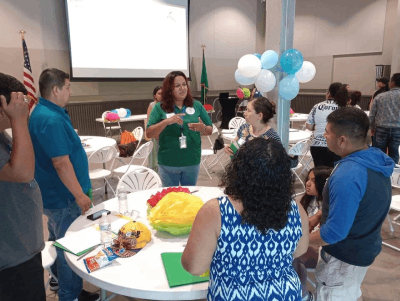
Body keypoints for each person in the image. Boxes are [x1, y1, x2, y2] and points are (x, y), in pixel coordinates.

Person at [182, 138, 309, 300]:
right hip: (286, 294)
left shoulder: (216, 212)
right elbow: (300, 250)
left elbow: (195, 267)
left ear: (238, 169)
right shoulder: (296, 209)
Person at [309, 107, 394, 301]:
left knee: (333, 294)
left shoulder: (349, 174)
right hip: (363, 246)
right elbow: (358, 202)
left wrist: (300, 241)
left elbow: (334, 234)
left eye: (327, 132)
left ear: (342, 140)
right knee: (348, 291)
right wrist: (319, 216)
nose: (324, 135)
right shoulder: (373, 159)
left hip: (345, 256)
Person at [28, 68, 98, 301]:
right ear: (56, 90)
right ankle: (71, 295)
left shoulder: (47, 112)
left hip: (54, 195)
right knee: (70, 247)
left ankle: (65, 285)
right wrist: (79, 195)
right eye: (67, 87)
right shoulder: (50, 118)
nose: (70, 91)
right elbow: (60, 163)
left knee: (59, 240)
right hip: (63, 196)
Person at [0, 73, 45, 301]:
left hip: (22, 250)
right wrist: (19, 120)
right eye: (16, 103)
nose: (22, 107)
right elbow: (23, 173)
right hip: (11, 261)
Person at [146, 71, 213, 187]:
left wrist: (203, 128)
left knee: (189, 197)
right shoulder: (159, 107)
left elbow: (210, 130)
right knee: (170, 199)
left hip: (192, 160)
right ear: (169, 89)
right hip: (168, 163)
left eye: (184, 84)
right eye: (177, 86)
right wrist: (166, 122)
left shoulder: (196, 105)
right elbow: (149, 133)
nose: (182, 89)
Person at [293, 166, 332, 301]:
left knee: (292, 258)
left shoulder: (327, 207)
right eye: (308, 179)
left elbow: (321, 239)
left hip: (316, 250)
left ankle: (302, 294)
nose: (308, 183)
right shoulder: (307, 199)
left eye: (314, 181)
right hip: (305, 244)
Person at [306, 82, 347, 167]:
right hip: (336, 145)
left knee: (319, 174)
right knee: (334, 174)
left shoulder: (317, 106)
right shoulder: (344, 108)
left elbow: (309, 126)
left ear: (329, 93)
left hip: (317, 145)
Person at [370, 73, 400, 164]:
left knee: (378, 153)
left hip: (381, 129)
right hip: (397, 129)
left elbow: (372, 114)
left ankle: (378, 174)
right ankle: (392, 173)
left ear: (392, 82)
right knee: (394, 153)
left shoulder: (380, 96)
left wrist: (371, 127)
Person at [146, 86, 162, 171]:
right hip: (155, 134)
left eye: (163, 93)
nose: (161, 95)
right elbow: (149, 121)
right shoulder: (152, 105)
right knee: (155, 155)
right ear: (155, 95)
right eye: (159, 93)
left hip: (164, 134)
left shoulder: (167, 105)